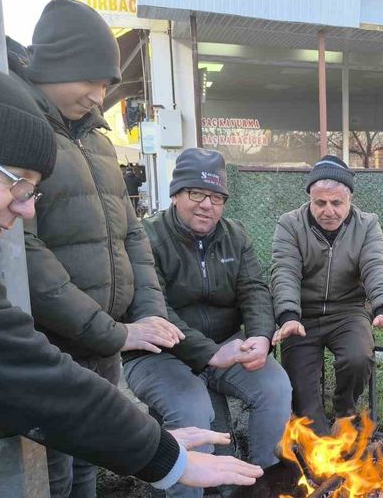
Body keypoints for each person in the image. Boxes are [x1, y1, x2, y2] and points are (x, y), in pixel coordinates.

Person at [0, 61, 262, 498]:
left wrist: (149, 442)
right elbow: (22, 373)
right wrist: (163, 455)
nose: (27, 210)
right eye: (19, 183)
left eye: (33, 191)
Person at [7, 0, 183, 496]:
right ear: (58, 64)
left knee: (91, 460)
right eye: (94, 80)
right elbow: (25, 247)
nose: (101, 95)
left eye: (108, 84)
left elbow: (131, 234)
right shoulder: (20, 126)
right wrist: (112, 331)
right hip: (51, 341)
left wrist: (149, 314)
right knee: (51, 472)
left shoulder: (100, 142)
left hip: (106, 342)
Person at [123, 148, 292, 498]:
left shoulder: (236, 235)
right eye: (195, 193)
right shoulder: (146, 237)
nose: (206, 205)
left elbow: (255, 290)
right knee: (193, 409)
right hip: (158, 353)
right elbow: (152, 308)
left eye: (216, 197)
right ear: (175, 194)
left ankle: (263, 485)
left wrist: (261, 337)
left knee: (276, 388)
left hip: (225, 346)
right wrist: (209, 354)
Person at [270, 155, 383, 433]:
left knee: (358, 356)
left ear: (349, 200)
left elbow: (375, 266)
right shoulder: (289, 224)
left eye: (337, 203)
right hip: (302, 316)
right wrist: (288, 315)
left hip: (348, 311)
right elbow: (284, 271)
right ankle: (320, 441)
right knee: (304, 405)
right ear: (310, 198)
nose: (328, 211)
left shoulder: (367, 225)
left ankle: (345, 411)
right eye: (320, 203)